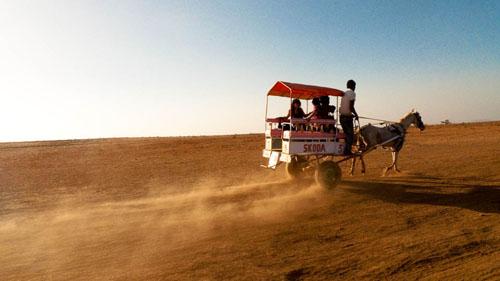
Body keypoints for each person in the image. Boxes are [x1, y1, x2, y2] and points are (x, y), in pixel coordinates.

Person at [340, 80, 359, 155]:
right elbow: (351, 107)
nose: (355, 88)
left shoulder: (344, 93)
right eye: (355, 86)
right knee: (350, 135)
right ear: (353, 86)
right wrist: (356, 114)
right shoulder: (352, 93)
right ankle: (347, 151)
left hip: (342, 117)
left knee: (346, 135)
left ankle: (345, 149)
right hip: (347, 117)